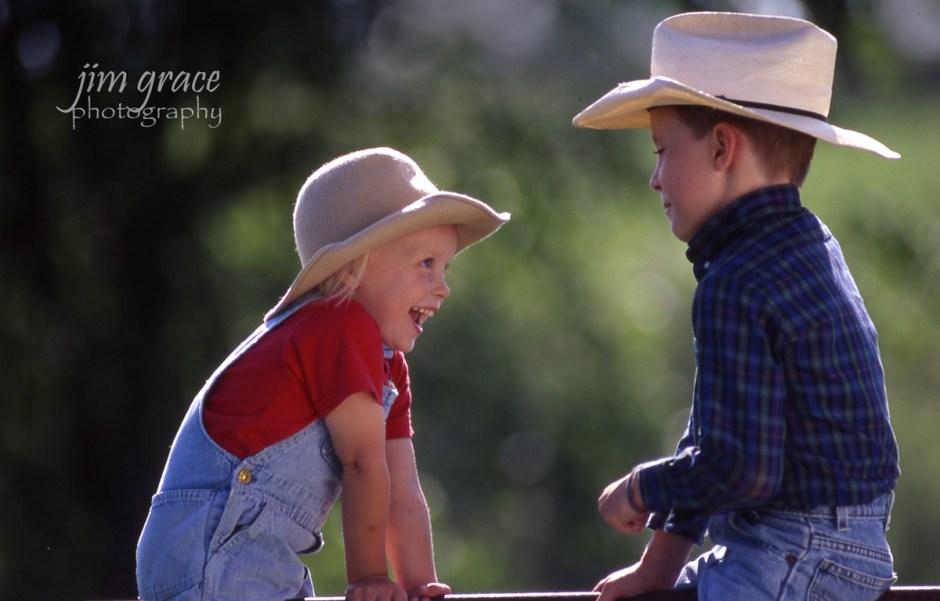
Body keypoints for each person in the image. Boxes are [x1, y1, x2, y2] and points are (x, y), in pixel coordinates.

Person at [572, 12, 901, 601]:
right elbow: (715, 430)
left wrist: (640, 489)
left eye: (663, 150)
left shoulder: (735, 283)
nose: (654, 178)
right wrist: (659, 566)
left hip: (792, 549)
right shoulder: (809, 243)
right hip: (845, 546)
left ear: (723, 147)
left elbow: (739, 469)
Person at [136, 147, 510, 601]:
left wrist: (418, 587)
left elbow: (402, 486)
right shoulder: (336, 325)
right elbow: (360, 465)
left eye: (445, 267)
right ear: (355, 267)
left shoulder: (387, 364)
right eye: (426, 264)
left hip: (262, 560)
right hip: (211, 557)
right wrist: (369, 577)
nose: (443, 287)